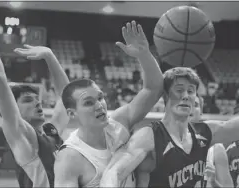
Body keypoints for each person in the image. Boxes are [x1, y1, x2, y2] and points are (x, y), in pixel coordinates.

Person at [100, 47, 239, 188]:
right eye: (179, 89)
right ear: (165, 96)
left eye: (191, 91)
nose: (186, 95)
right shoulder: (149, 136)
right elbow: (114, 172)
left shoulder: (206, 133)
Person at [53, 20, 163, 187]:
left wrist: (144, 55)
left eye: (100, 97)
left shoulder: (118, 124)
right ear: (71, 113)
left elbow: (153, 89)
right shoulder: (69, 157)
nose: (99, 105)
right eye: (89, 102)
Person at [0, 32, 69, 188]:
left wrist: (49, 56)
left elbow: (67, 97)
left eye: (37, 99)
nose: (37, 104)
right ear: (13, 108)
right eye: (27, 100)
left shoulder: (50, 132)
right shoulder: (22, 137)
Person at [190, 97, 234, 188]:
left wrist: (213, 182)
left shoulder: (216, 148)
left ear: (201, 112)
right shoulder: (166, 143)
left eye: (195, 105)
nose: (190, 108)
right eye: (186, 104)